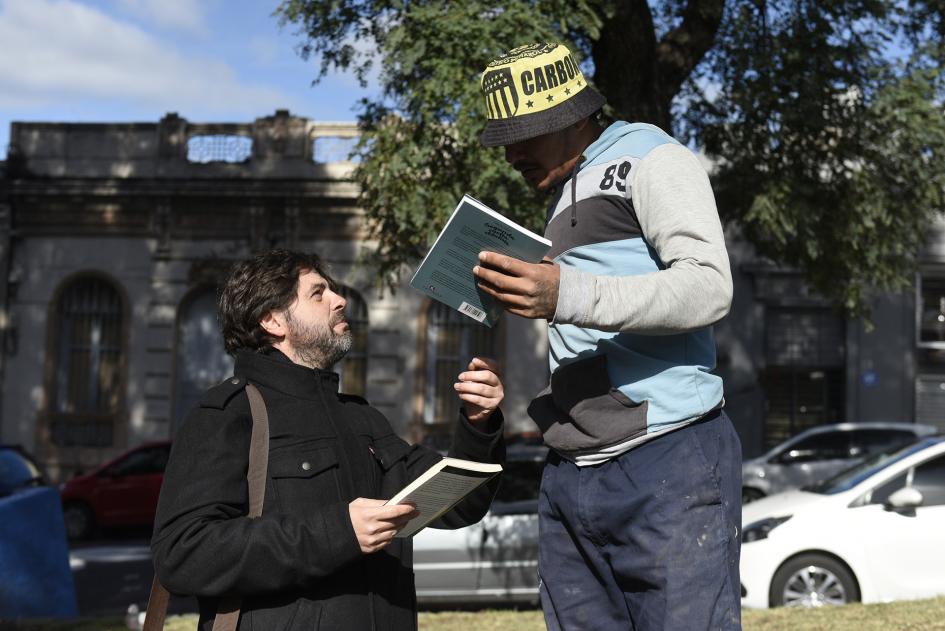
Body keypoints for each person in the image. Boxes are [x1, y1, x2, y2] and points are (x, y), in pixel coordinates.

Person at [474, 43, 742, 630]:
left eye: (525, 134)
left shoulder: (652, 156)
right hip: (571, 468)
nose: (512, 153)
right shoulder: (559, 198)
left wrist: (566, 294)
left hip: (667, 456)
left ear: (569, 117)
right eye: (505, 139)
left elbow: (709, 288)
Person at [151, 249, 506, 631]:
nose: (340, 300)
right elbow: (183, 552)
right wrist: (338, 531)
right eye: (318, 294)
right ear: (271, 320)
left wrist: (478, 422)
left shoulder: (362, 418)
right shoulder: (228, 414)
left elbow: (459, 503)